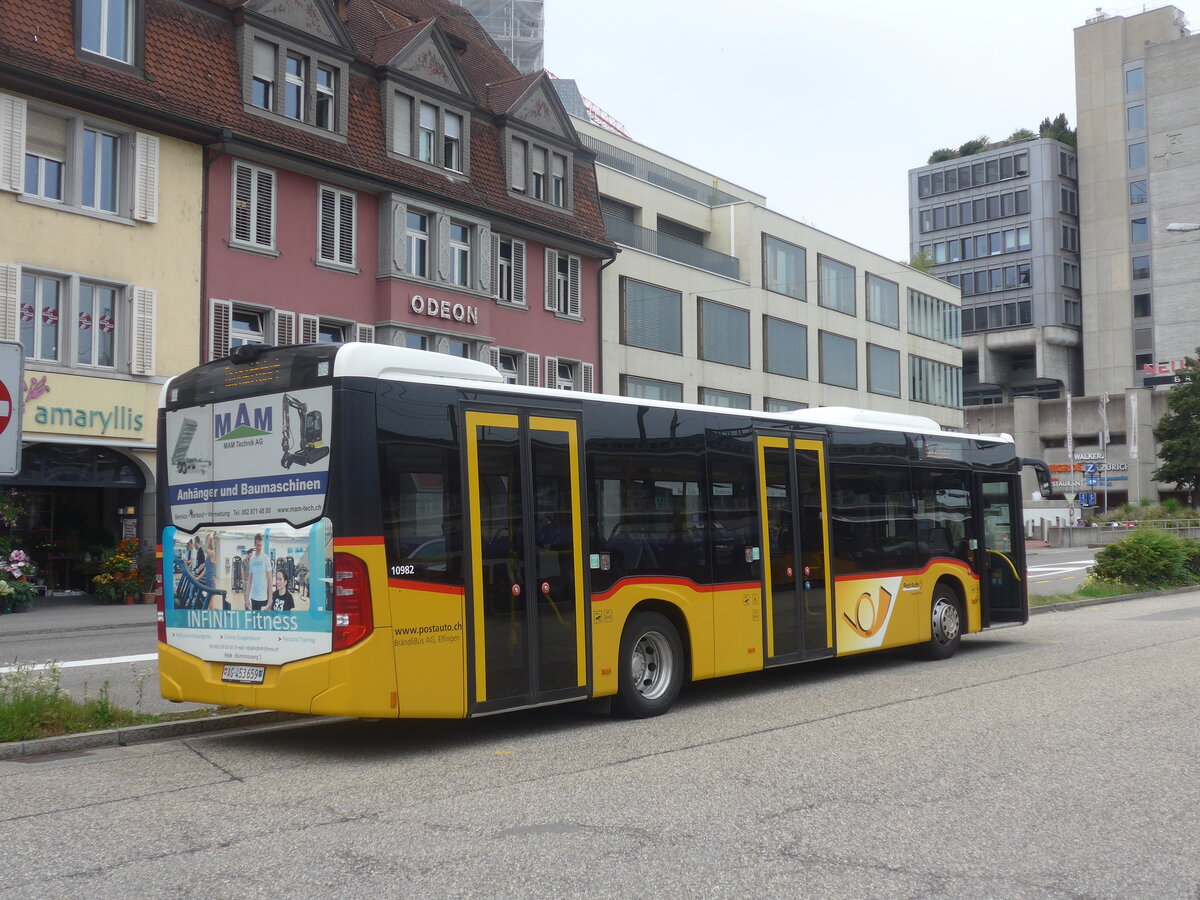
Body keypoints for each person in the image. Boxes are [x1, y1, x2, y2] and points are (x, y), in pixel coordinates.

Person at [245, 533, 270, 611]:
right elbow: (249, 580)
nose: (259, 547)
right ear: (254, 544)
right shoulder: (252, 559)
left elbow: (270, 580)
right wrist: (247, 598)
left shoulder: (266, 558)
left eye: (261, 545)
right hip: (254, 597)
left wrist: (270, 599)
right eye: (258, 545)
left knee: (262, 622)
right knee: (255, 622)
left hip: (263, 598)